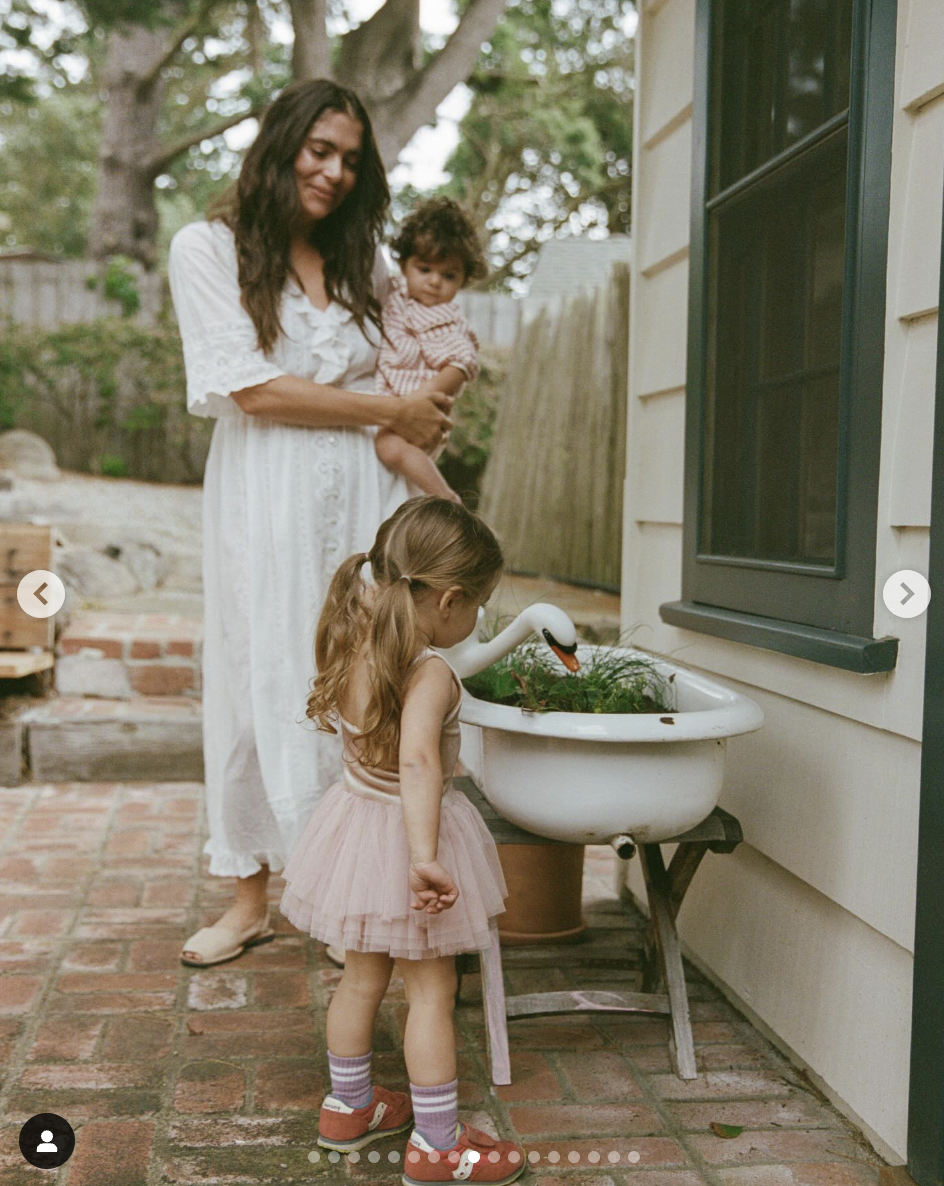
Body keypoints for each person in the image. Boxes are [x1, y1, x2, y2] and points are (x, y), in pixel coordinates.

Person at [167, 79, 453, 968]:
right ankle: (250, 896)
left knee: (361, 676)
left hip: (364, 499)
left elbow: (415, 370)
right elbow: (249, 387)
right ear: (282, 143)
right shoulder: (206, 249)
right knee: (259, 672)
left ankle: (344, 895)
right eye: (319, 149)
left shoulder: (367, 269)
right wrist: (385, 413)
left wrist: (426, 405)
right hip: (266, 496)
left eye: (351, 160)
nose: (333, 172)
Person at [280, 497, 526, 1185]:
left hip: (355, 830)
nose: (478, 618)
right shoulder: (433, 672)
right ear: (448, 600)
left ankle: (349, 1109)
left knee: (360, 979)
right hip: (409, 837)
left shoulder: (359, 640)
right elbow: (418, 761)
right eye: (478, 603)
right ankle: (439, 1145)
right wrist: (424, 857)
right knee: (429, 992)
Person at [373, 198, 487, 504]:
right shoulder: (395, 294)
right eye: (424, 269)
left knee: (388, 448)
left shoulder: (446, 318)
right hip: (389, 404)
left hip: (418, 409)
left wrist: (419, 400)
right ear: (404, 265)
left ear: (464, 278)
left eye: (449, 275)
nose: (435, 282)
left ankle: (446, 498)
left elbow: (461, 364)